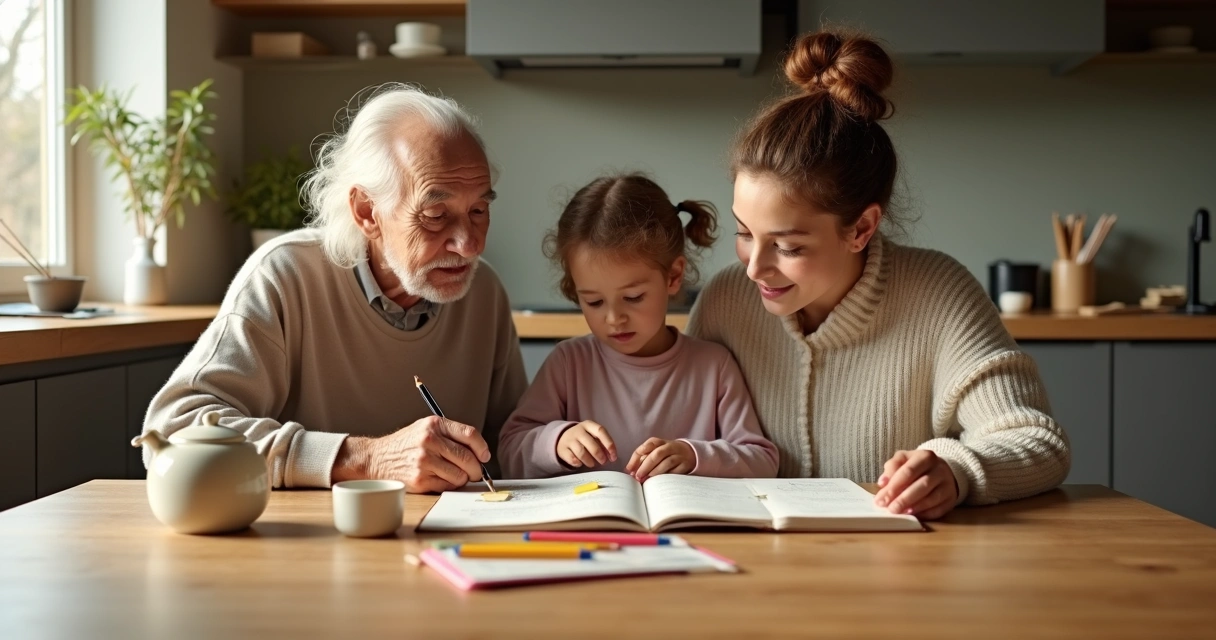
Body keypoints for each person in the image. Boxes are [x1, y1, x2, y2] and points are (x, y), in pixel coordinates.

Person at [688, 31, 1070, 520]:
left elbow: (1037, 440)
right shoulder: (724, 301)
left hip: (897, 578)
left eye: (788, 246)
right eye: (744, 233)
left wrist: (957, 470)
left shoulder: (938, 293)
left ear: (862, 228)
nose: (754, 267)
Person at [141, 84, 527, 493]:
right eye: (435, 214)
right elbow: (172, 431)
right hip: (304, 544)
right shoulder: (286, 276)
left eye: (479, 210)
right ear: (366, 211)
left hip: (442, 539)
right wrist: (364, 458)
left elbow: (514, 440)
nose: (469, 245)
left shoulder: (483, 291)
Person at [498, 174, 779, 481]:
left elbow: (762, 460)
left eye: (633, 297)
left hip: (688, 527)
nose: (614, 318)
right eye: (593, 302)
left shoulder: (715, 366)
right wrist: (556, 442)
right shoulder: (568, 363)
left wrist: (693, 455)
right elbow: (511, 451)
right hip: (589, 527)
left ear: (673, 276)